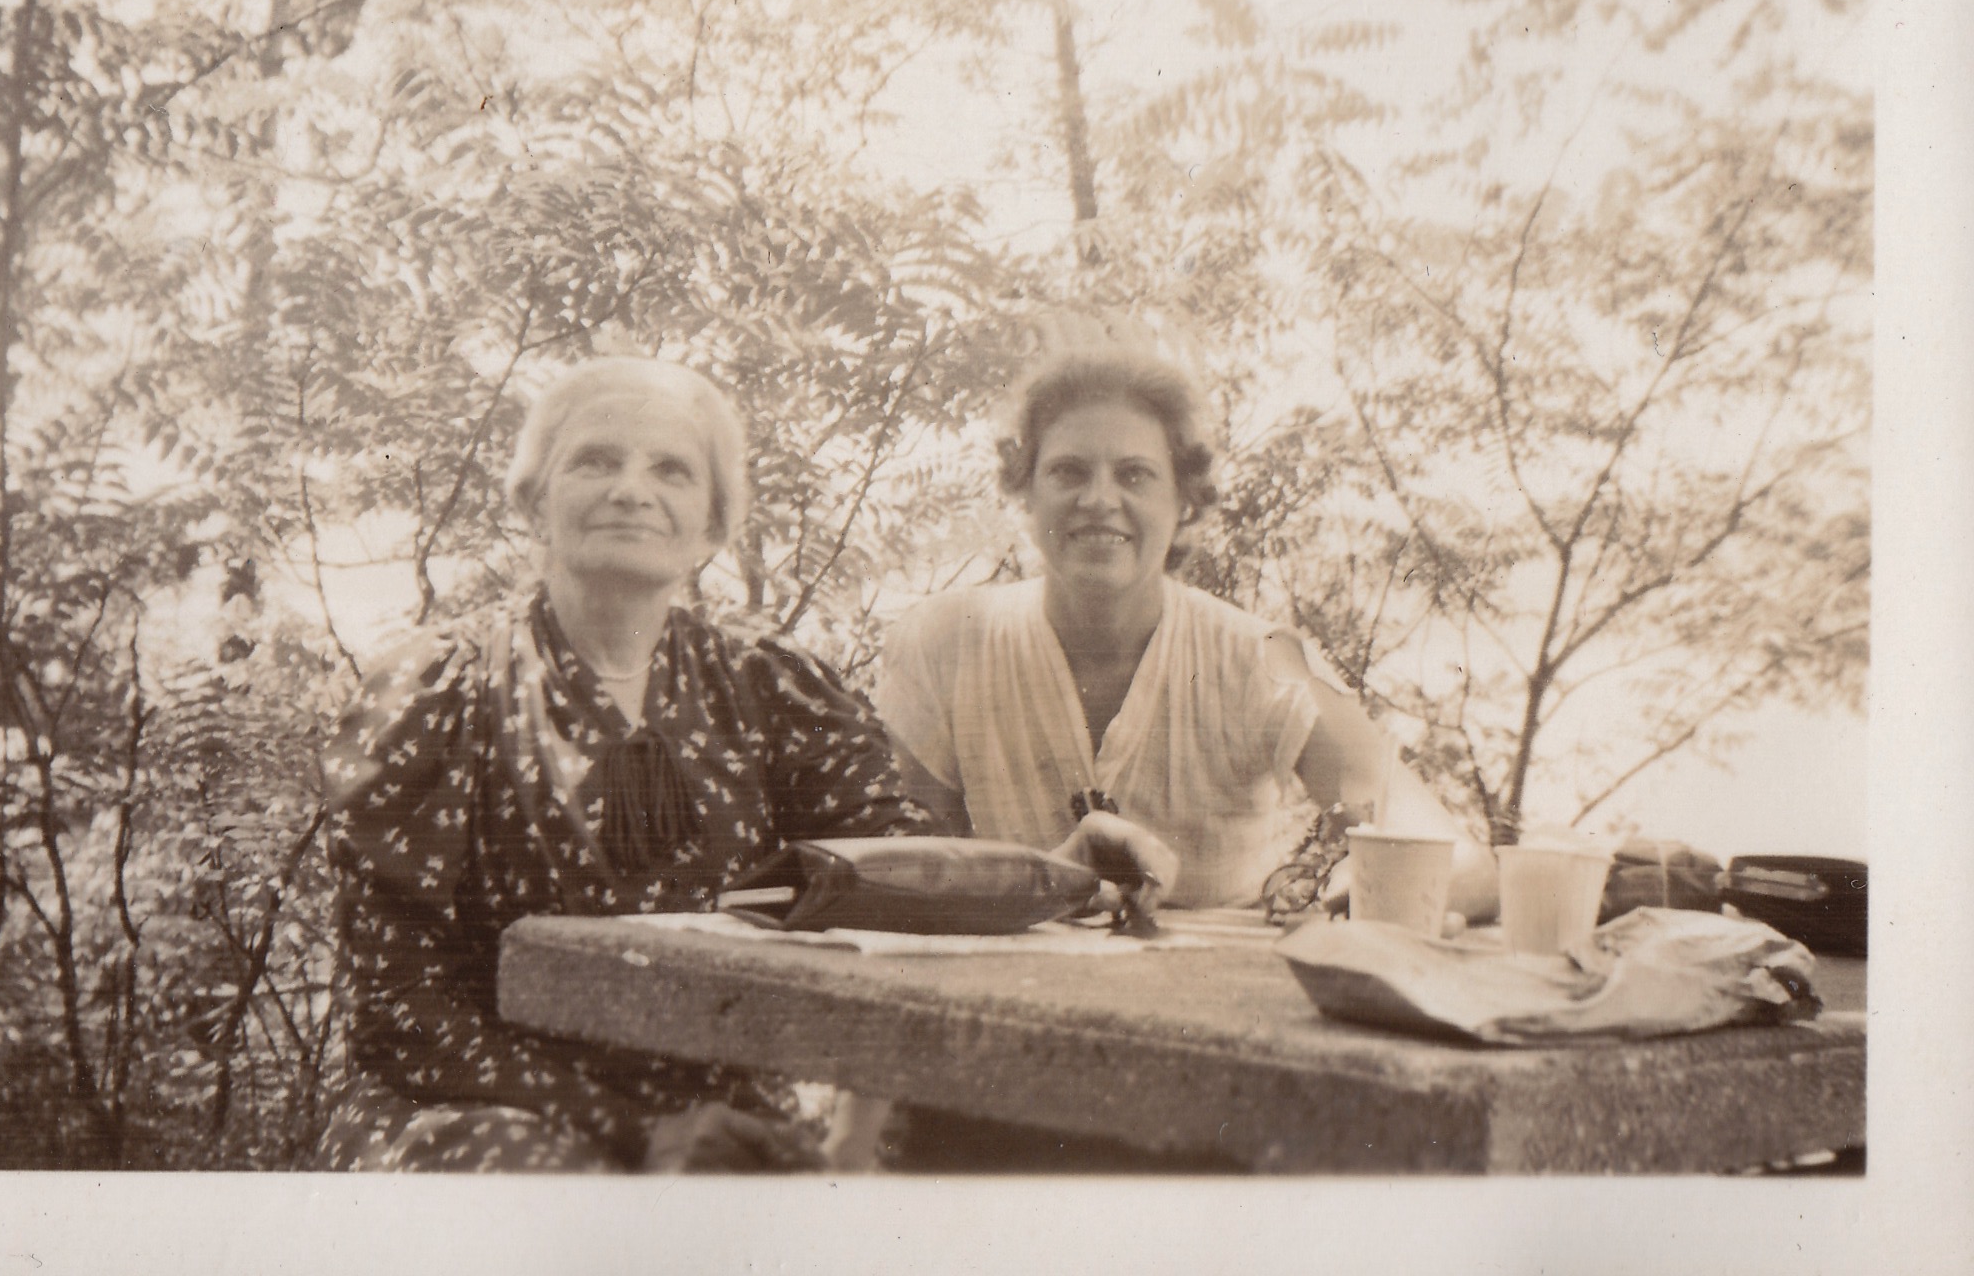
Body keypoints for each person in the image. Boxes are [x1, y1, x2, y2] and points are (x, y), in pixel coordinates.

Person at [316, 357, 948, 1173]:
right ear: (534, 504)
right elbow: (399, 1007)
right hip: (479, 1115)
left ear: (712, 527)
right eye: (595, 460)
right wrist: (630, 1133)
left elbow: (896, 880)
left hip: (723, 1124)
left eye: (671, 470)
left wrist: (1066, 878)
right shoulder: (443, 689)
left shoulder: (769, 687)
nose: (630, 489)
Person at [878, 344, 1497, 917]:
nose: (1098, 498)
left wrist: (1347, 900)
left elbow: (1461, 861)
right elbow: (892, 869)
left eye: (1135, 474)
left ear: (1185, 502)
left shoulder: (1260, 657)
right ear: (1026, 493)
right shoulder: (946, 641)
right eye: (1067, 471)